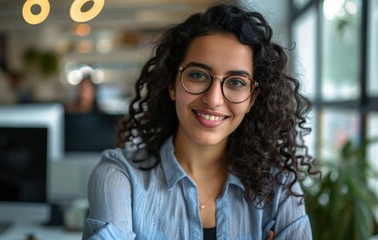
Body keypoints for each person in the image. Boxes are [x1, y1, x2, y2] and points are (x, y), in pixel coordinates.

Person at [82, 2, 319, 240]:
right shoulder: (119, 177)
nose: (213, 99)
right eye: (197, 75)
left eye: (236, 81)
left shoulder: (278, 187)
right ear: (172, 84)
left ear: (252, 99)